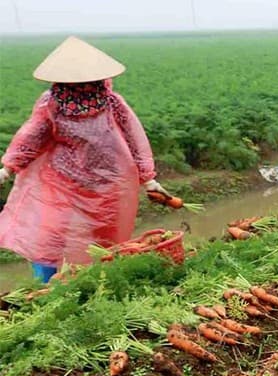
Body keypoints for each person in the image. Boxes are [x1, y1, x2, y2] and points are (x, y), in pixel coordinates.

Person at [0, 36, 166, 283]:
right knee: (50, 234)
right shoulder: (52, 104)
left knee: (100, 240)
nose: (83, 85)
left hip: (106, 185)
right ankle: (46, 286)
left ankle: (93, 284)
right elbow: (32, 136)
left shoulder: (111, 102)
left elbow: (134, 138)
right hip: (62, 184)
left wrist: (148, 178)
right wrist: (8, 168)